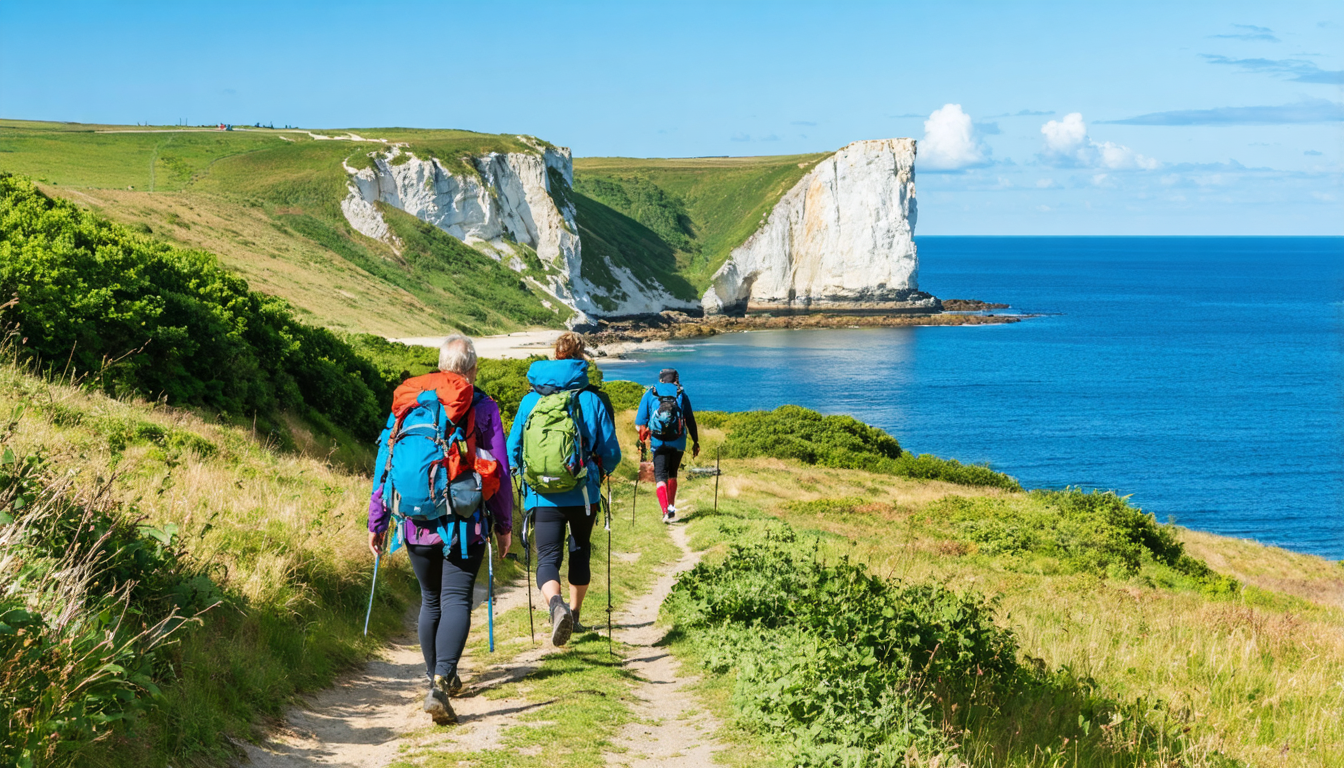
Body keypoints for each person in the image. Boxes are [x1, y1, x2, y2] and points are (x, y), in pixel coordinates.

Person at [367, 335, 513, 726]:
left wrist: (377, 522)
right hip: (463, 525)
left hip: (414, 524)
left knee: (431, 601)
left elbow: (385, 462)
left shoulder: (407, 403)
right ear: (471, 370)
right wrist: (505, 525)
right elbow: (498, 467)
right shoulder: (481, 406)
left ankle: (437, 678)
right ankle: (440, 681)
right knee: (456, 600)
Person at [507, 331, 621, 646]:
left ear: (554, 357)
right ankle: (575, 613)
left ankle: (556, 608)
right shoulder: (592, 399)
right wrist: (601, 471)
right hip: (584, 493)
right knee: (580, 550)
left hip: (542, 494)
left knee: (547, 558)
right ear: (581, 359)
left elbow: (512, 447)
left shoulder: (532, 399)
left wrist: (522, 473)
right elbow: (612, 453)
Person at [635, 368, 699, 523]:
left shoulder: (651, 392)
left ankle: (665, 511)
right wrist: (695, 442)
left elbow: (640, 423)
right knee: (673, 474)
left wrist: (642, 440)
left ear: (661, 378)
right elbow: (690, 420)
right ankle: (671, 507)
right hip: (678, 441)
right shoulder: (681, 393)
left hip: (658, 441)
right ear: (676, 379)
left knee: (660, 476)